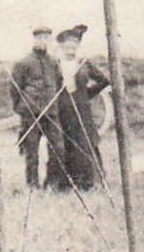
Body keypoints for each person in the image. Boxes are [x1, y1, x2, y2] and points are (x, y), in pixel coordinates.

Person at [49, 23, 111, 190]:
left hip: (82, 111)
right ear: (61, 47)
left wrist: (85, 94)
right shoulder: (55, 65)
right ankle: (63, 184)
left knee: (85, 143)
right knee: (62, 144)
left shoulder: (84, 64)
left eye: (73, 47)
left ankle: (89, 183)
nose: (70, 50)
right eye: (67, 47)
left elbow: (104, 81)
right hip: (61, 110)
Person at [8, 24, 64, 189]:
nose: (43, 41)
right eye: (40, 37)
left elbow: (58, 84)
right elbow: (15, 89)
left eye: (46, 37)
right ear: (35, 39)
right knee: (31, 152)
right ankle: (32, 186)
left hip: (51, 113)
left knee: (58, 148)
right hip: (31, 114)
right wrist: (22, 108)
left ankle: (52, 183)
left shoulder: (53, 62)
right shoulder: (23, 62)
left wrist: (53, 104)